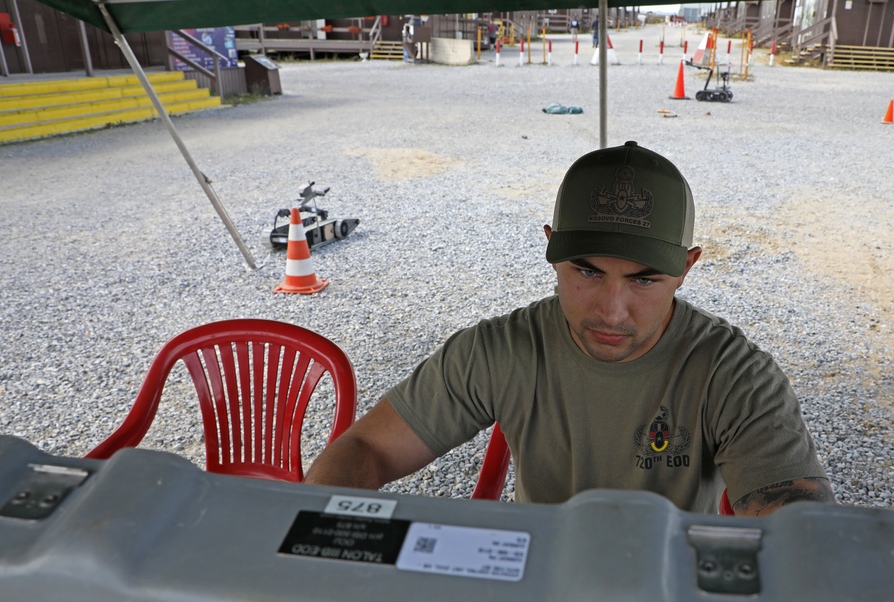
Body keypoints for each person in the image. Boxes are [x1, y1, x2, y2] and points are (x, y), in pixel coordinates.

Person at [305, 141, 836, 517]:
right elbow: (366, 450)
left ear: (687, 268)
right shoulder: (500, 351)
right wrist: (316, 535)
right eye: (587, 271)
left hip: (665, 600)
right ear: (550, 248)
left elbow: (798, 531)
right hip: (535, 590)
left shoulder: (733, 374)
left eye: (644, 280)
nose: (612, 310)